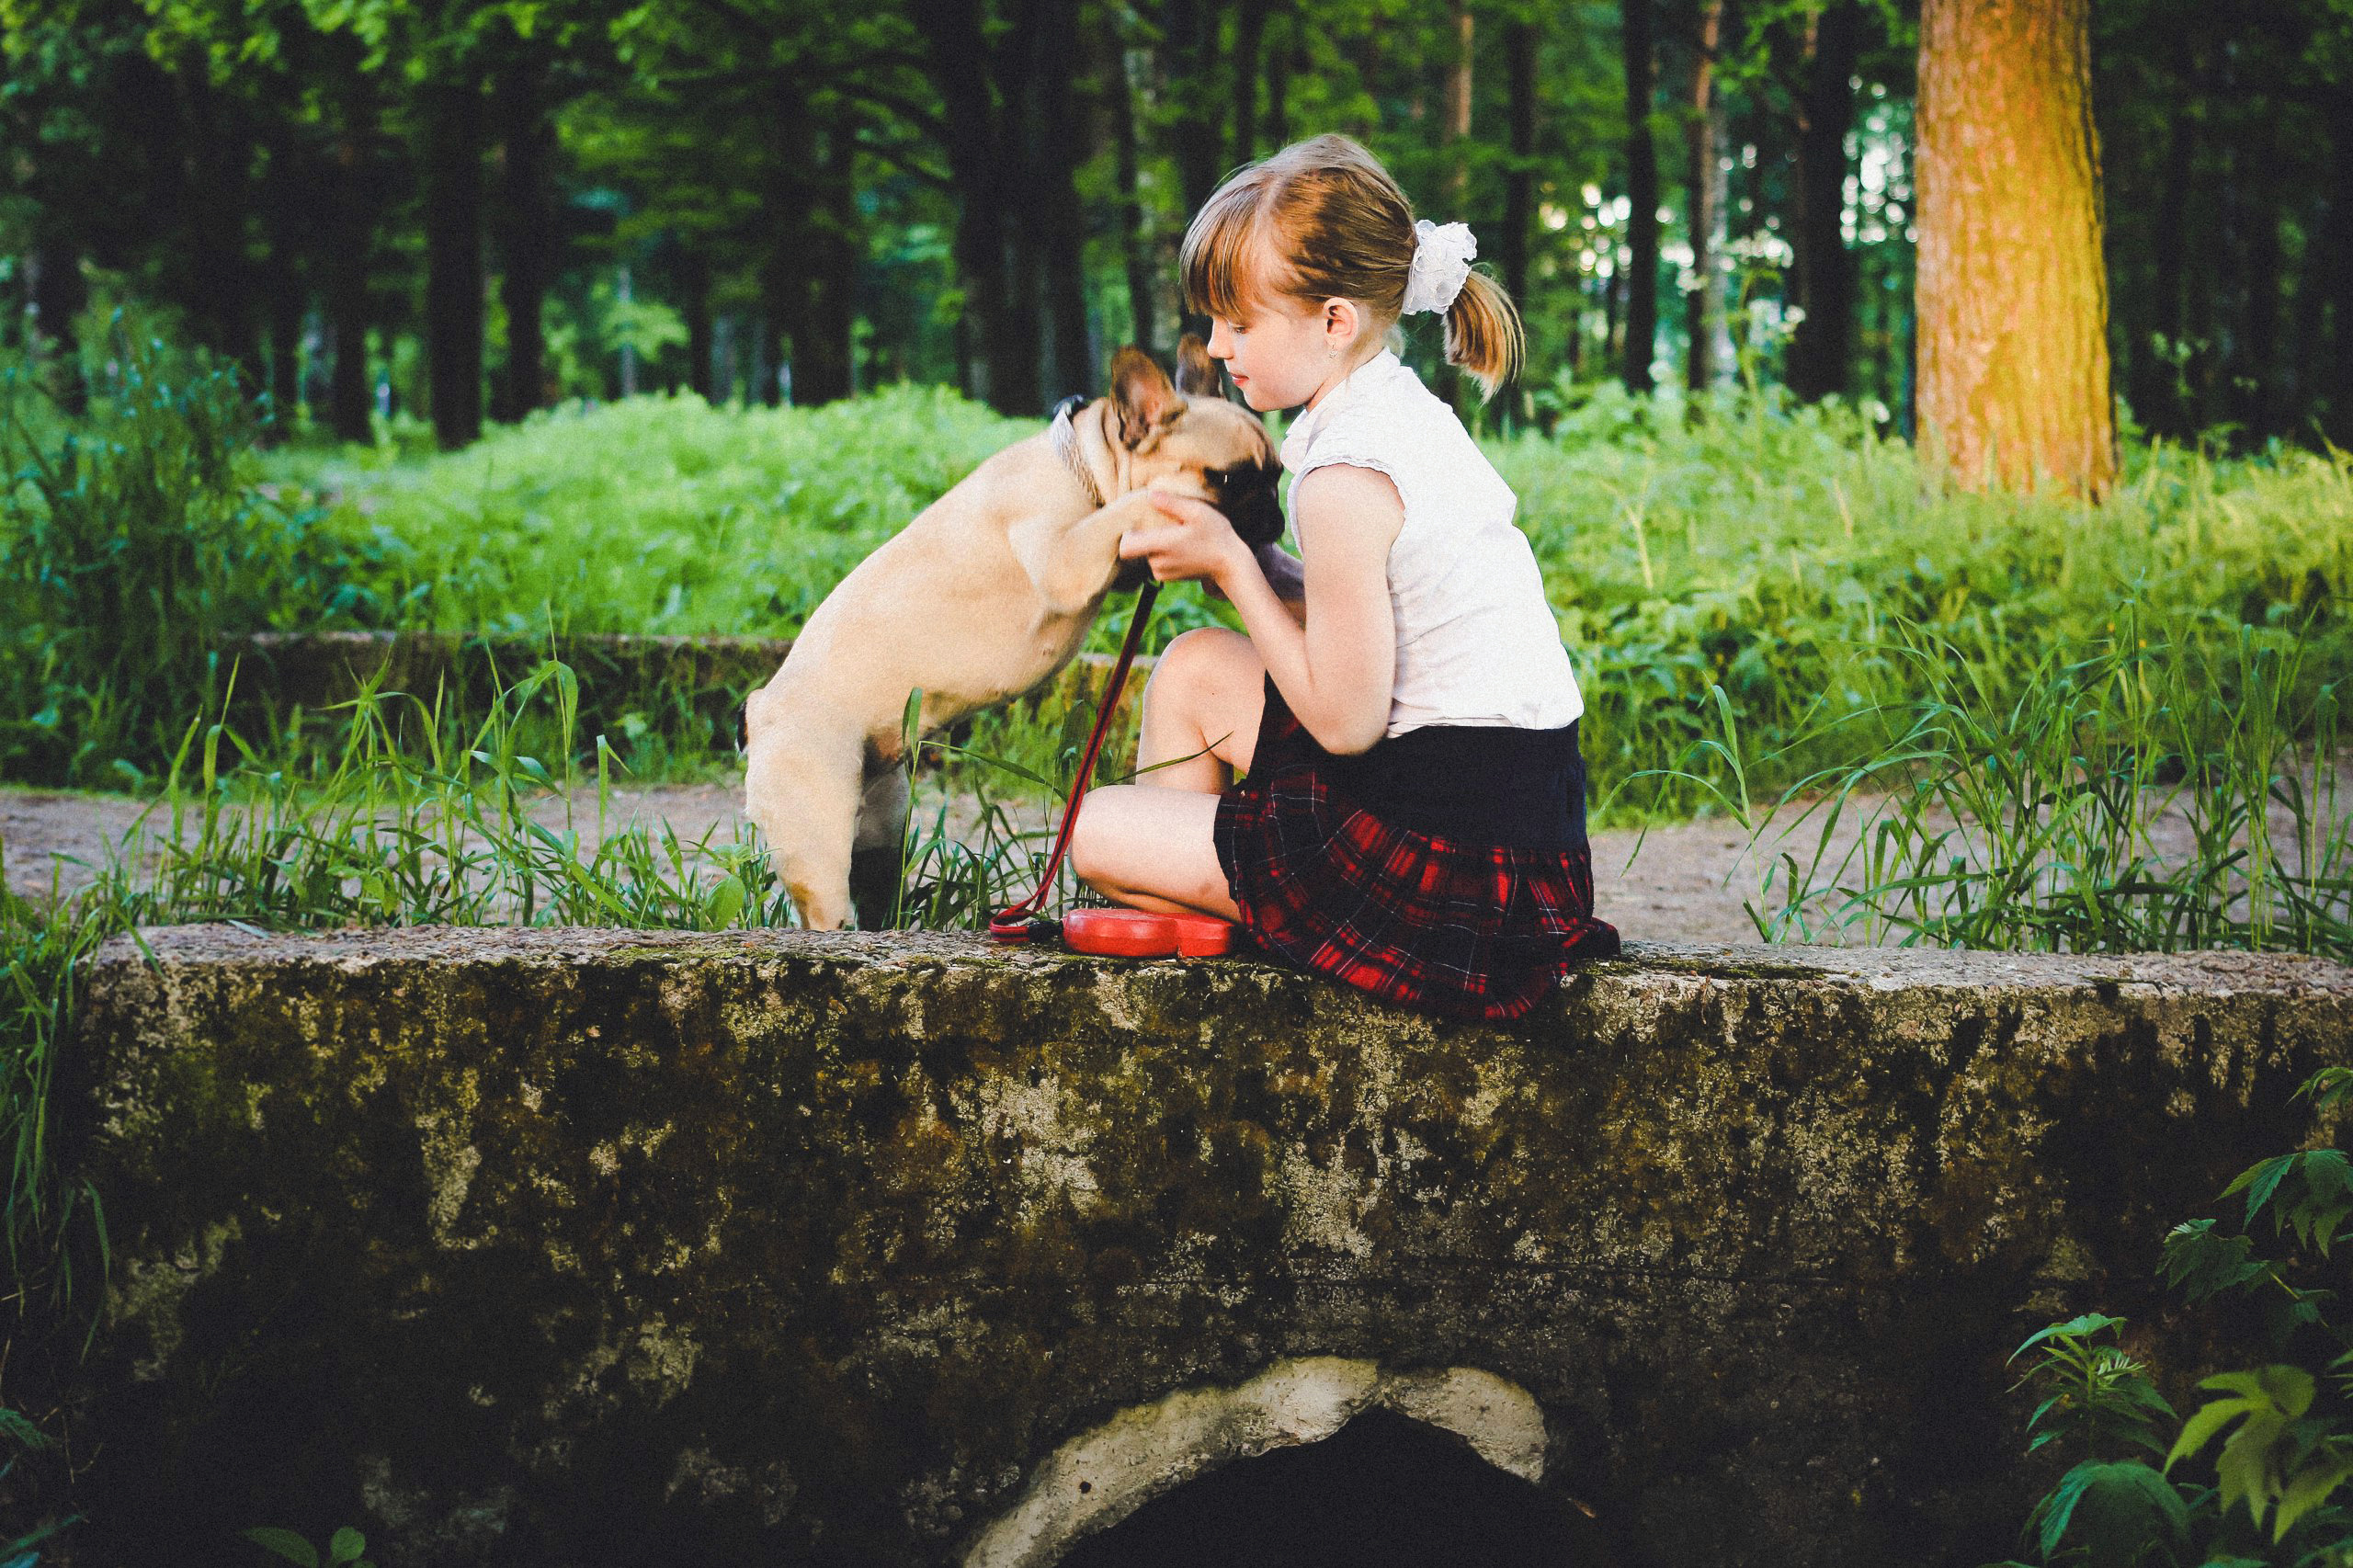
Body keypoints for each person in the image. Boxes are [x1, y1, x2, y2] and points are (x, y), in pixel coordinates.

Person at [1068, 132, 1620, 1021]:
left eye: (1239, 323)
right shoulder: (1392, 409)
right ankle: (1204, 916)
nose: (1216, 345)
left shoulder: (1343, 478)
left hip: (1453, 869)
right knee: (1197, 668)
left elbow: (1348, 721)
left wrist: (1231, 567)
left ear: (1334, 321)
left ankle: (1220, 915)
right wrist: (1252, 563)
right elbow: (1368, 619)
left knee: (1092, 829)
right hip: (1520, 829)